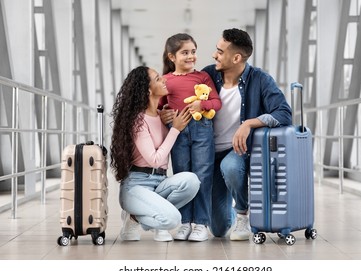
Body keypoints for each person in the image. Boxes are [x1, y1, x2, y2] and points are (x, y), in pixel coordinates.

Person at [161, 28, 292, 241]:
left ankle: (242, 214)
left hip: (237, 150)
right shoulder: (208, 74)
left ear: (236, 57)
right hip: (208, 151)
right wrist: (166, 113)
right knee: (219, 229)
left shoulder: (260, 79)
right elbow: (175, 97)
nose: (214, 55)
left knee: (230, 167)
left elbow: (284, 113)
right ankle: (226, 209)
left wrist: (250, 123)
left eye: (220, 52)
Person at [110, 65, 200, 242]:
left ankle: (136, 217)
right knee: (173, 219)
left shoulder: (161, 115)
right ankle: (135, 216)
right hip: (136, 186)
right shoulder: (138, 120)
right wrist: (175, 129)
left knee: (192, 181)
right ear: (147, 90)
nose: (164, 79)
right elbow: (154, 160)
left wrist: (169, 122)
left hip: (160, 181)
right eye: (158, 79)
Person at [159, 33, 222, 242]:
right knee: (183, 175)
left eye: (193, 52)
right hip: (177, 131)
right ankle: (185, 222)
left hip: (202, 128)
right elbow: (157, 107)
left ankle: (201, 224)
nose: (191, 56)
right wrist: (163, 114)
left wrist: (201, 105)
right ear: (172, 57)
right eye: (184, 52)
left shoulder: (202, 77)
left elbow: (216, 102)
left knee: (203, 175)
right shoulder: (165, 81)